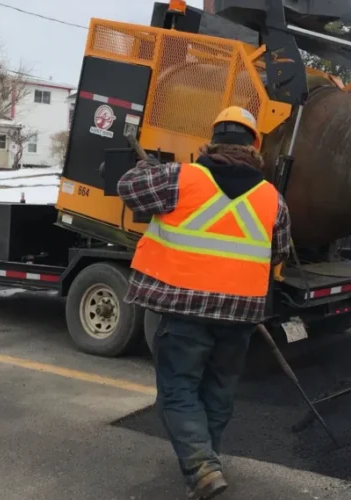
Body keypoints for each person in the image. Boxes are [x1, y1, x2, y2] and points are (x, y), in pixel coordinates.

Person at [118, 106, 292, 500]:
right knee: (218, 391)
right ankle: (207, 465)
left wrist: (150, 168)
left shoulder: (181, 178)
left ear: (211, 141)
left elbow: (129, 188)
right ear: (256, 145)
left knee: (179, 391)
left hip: (184, 313)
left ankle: (201, 466)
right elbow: (279, 252)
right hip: (240, 316)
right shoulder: (272, 199)